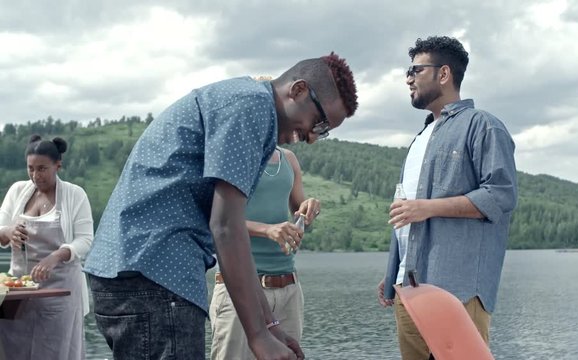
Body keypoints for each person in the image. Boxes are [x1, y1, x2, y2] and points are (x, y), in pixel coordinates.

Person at [84, 52, 358, 360]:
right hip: (154, 273)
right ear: (298, 90)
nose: (312, 138)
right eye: (319, 125)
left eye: (324, 133)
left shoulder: (250, 107)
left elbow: (231, 230)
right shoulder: (252, 106)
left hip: (134, 270)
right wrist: (258, 338)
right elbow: (225, 227)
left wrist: (270, 326)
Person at [377, 36, 518, 359]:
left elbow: (500, 196)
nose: (407, 78)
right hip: (408, 292)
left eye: (415, 69)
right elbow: (404, 215)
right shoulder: (420, 138)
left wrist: (427, 208)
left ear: (443, 74)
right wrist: (392, 274)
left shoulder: (482, 125)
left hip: (458, 292)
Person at [209, 146, 320, 359]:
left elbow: (300, 212)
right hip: (238, 289)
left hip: (289, 287)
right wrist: (267, 230)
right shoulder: (233, 156)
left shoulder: (289, 159)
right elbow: (218, 219)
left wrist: (310, 208)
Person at [0, 135, 94, 360]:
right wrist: (8, 232)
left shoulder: (75, 195)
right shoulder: (17, 191)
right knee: (13, 348)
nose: (35, 175)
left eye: (42, 169)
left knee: (54, 351)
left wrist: (55, 257)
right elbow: (1, 230)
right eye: (30, 169)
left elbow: (85, 240)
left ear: (57, 165)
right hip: (19, 292)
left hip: (60, 291)